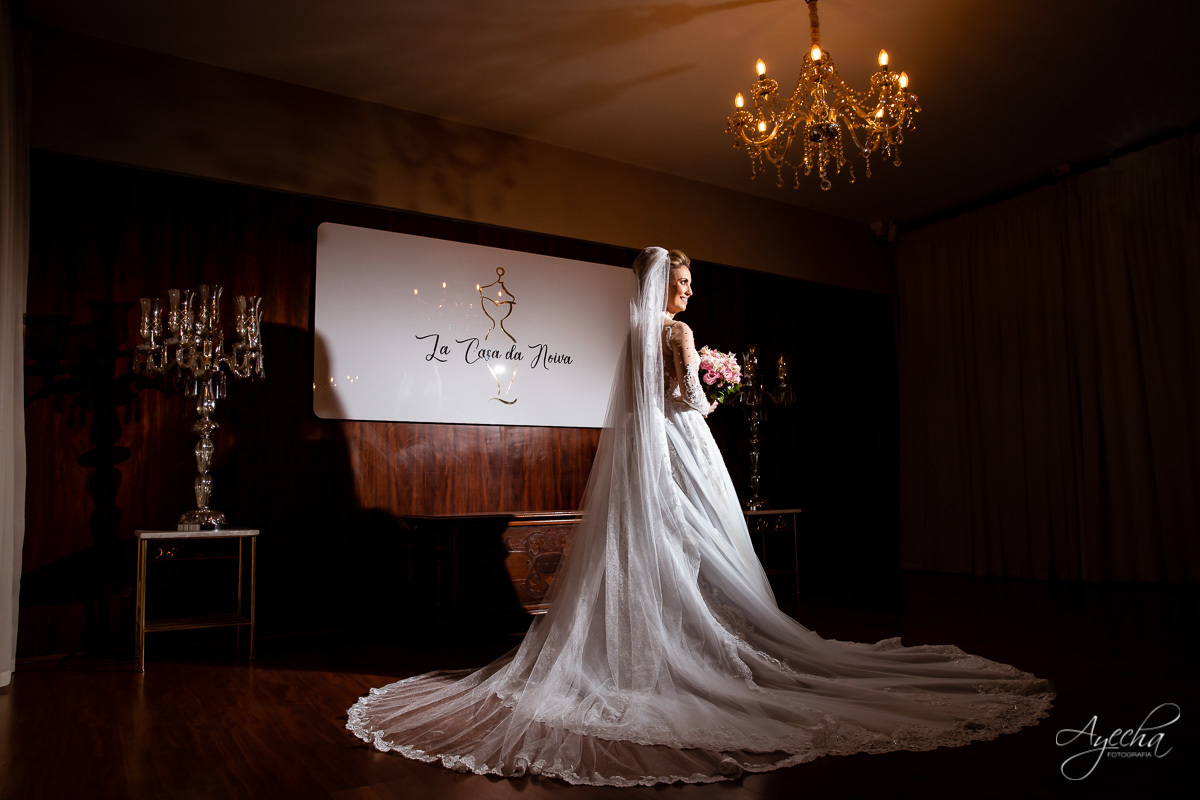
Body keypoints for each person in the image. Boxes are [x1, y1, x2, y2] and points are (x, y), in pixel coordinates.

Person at [347, 247, 1054, 786]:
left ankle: (654, 645)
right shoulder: (677, 334)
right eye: (684, 283)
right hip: (681, 447)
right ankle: (694, 647)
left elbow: (633, 401)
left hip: (639, 454)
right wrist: (716, 382)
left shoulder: (630, 334)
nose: (689, 292)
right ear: (665, 287)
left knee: (658, 545)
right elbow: (686, 403)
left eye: (689, 285)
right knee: (695, 541)